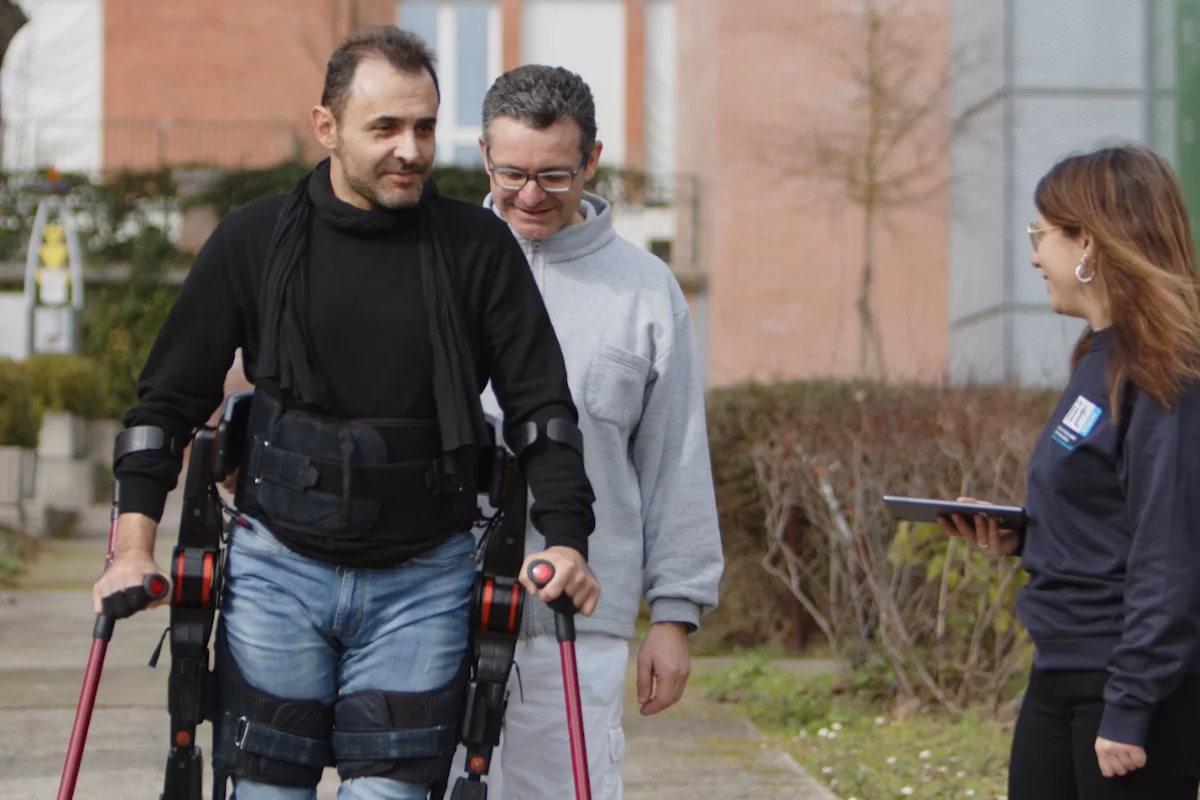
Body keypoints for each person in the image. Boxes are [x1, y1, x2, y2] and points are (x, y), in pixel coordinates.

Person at [92, 27, 601, 800]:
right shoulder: (252, 240)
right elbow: (165, 406)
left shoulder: (478, 248)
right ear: (326, 127)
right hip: (276, 570)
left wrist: (565, 541)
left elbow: (542, 414)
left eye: (424, 127)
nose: (410, 150)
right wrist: (131, 550)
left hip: (423, 579)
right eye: (385, 127)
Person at [448, 64, 724, 799]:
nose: (530, 195)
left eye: (554, 175)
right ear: (483, 155)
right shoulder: (441, 268)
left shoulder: (644, 289)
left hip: (577, 626)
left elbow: (675, 457)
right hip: (435, 611)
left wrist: (674, 616)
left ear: (592, 159)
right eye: (511, 173)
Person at [938, 144, 1200, 799]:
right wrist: (1022, 535)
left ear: (1088, 241)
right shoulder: (1098, 360)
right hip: (1061, 669)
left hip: (1128, 686)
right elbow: (1111, 512)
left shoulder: (1165, 374)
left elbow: (1170, 550)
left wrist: (1131, 704)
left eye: (1042, 234)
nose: (1034, 257)